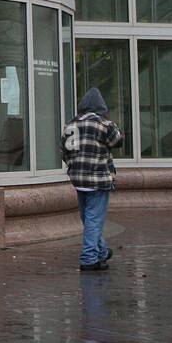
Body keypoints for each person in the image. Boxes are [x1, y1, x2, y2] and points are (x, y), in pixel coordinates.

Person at [61, 88, 125, 272]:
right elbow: (117, 141)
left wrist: (75, 166)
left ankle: (102, 252)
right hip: (98, 179)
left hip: (78, 179)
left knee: (88, 218)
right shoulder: (103, 124)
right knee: (93, 220)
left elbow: (63, 151)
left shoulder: (70, 125)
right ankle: (89, 258)